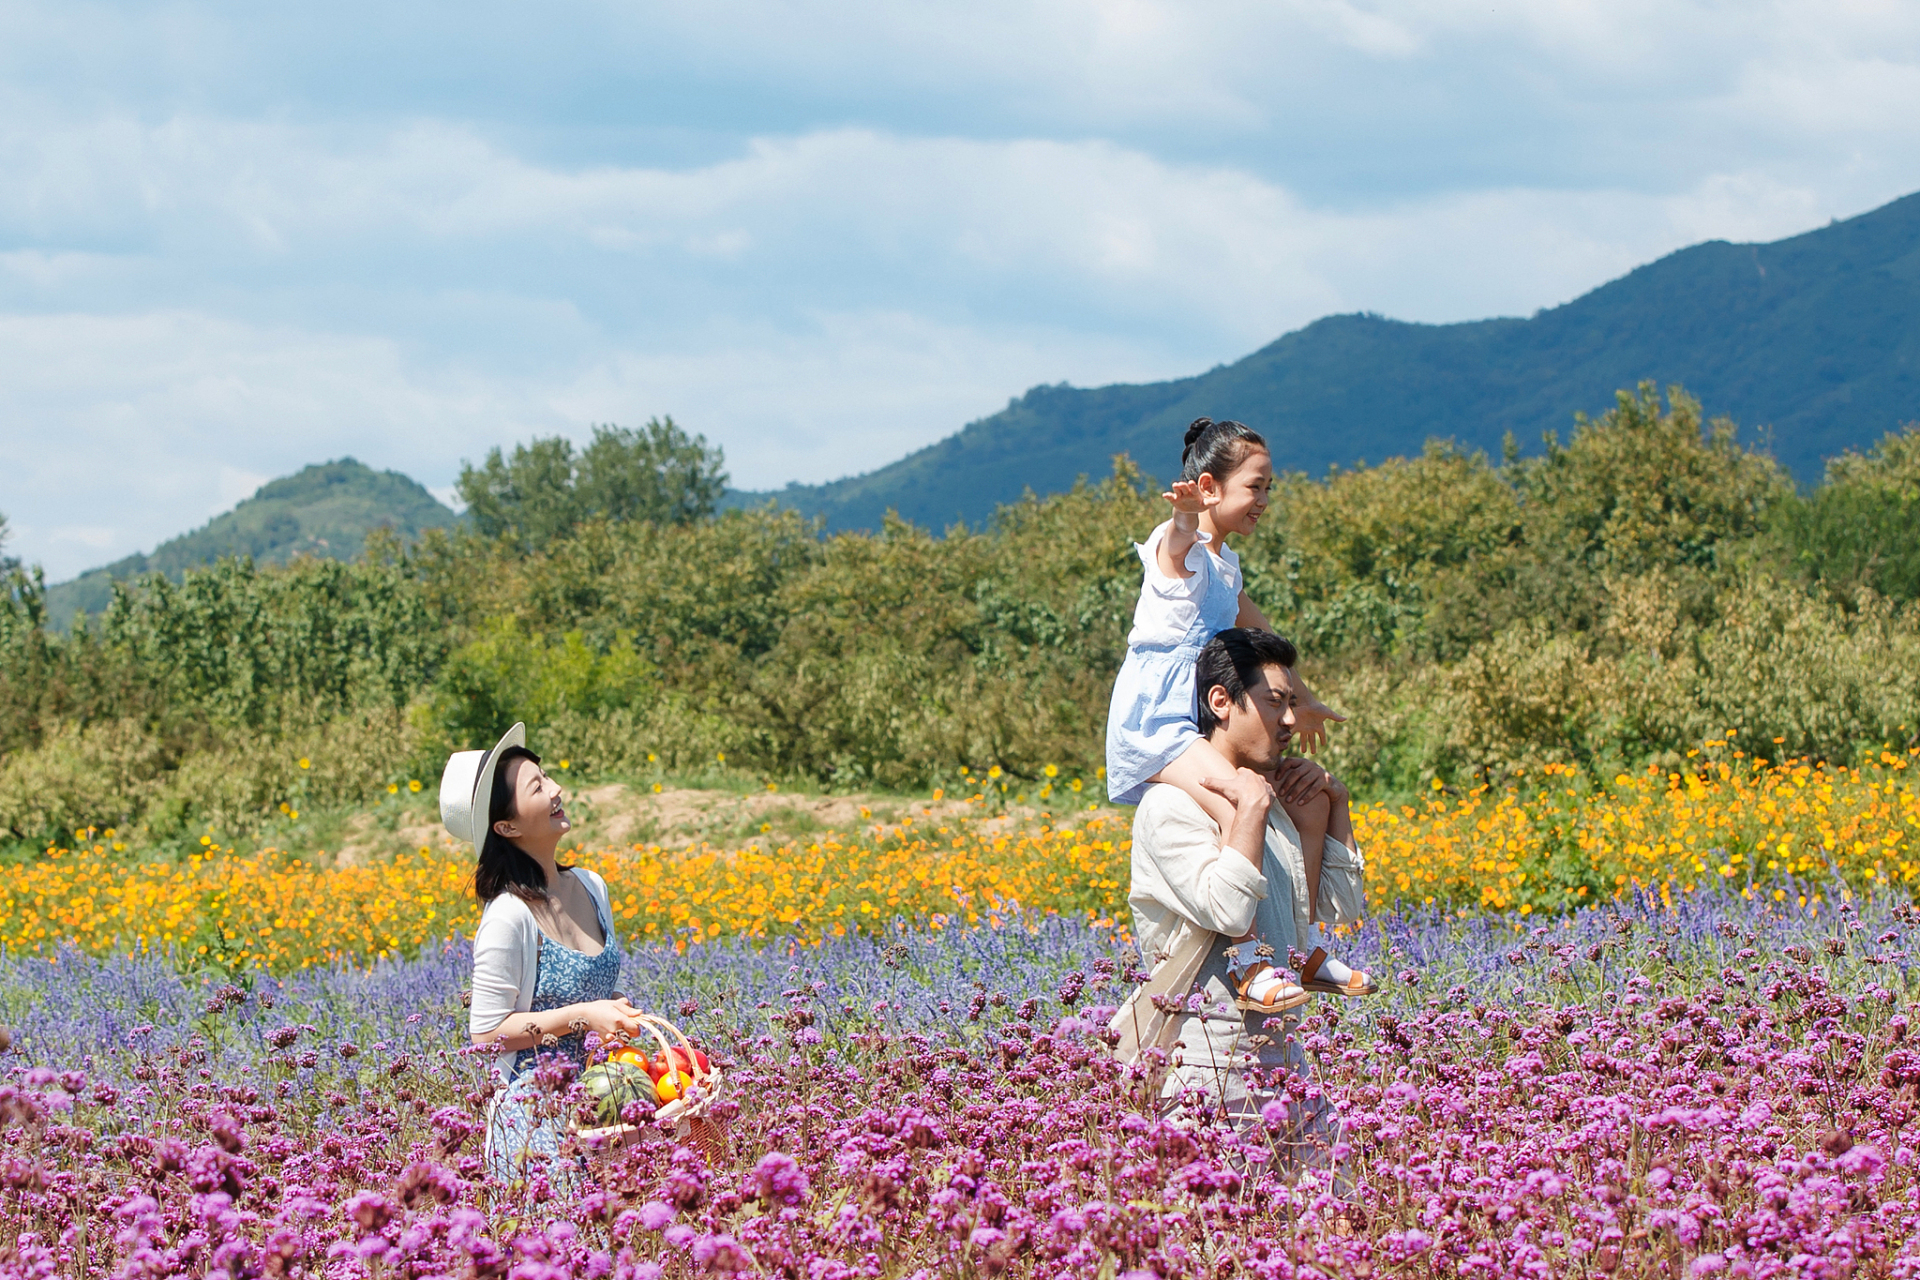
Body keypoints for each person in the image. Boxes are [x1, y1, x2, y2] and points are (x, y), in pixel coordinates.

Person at [1105, 417, 1373, 1005]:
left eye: (1268, 487)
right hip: (1156, 722)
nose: (1265, 500)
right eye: (1256, 487)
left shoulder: (1227, 568)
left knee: (1301, 796)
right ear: (1209, 488)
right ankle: (1249, 962)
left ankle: (1296, 949)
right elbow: (1175, 553)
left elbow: (1265, 637)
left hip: (1191, 715)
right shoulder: (1178, 547)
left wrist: (1302, 700)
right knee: (1239, 798)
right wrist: (1181, 517)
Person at [1117, 628, 1364, 1156]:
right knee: (1223, 1232)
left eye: (1293, 703)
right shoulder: (1169, 809)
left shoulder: (1275, 804)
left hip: (1289, 1061)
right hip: (1212, 1073)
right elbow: (1229, 912)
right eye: (1276, 703)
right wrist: (1248, 811)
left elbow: (1336, 911)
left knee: (1341, 1216)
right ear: (1221, 702)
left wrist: (1333, 807)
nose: (1291, 721)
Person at [440, 723, 647, 1182]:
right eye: (537, 786)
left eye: (547, 776)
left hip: (606, 1106)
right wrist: (584, 1016)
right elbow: (488, 1033)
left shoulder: (592, 887)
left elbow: (599, 995)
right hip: (537, 1132)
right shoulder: (508, 916)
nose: (556, 790)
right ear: (507, 825)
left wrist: (613, 1018)